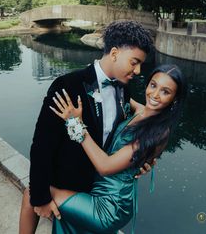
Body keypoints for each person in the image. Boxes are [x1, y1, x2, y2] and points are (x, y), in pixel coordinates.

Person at [19, 20, 154, 234]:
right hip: (66, 181)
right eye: (134, 62)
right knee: (31, 194)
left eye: (140, 65)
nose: (137, 71)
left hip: (97, 188)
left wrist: (138, 161)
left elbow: (117, 137)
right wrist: (41, 197)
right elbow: (41, 145)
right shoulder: (68, 85)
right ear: (115, 53)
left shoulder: (124, 91)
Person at [49, 64, 186, 234]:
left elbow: (105, 167)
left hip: (110, 207)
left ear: (175, 99)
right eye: (153, 85)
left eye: (165, 92)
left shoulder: (158, 132)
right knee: (66, 221)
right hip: (96, 189)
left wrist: (76, 123)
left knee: (37, 192)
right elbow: (114, 92)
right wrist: (95, 73)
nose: (155, 95)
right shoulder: (141, 110)